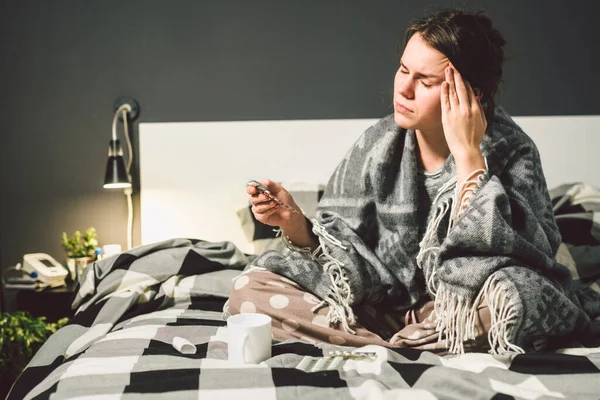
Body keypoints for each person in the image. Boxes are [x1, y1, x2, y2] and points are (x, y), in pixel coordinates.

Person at [226, 8, 591, 354]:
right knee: (249, 288)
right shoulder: (377, 144)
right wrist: (295, 223)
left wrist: (468, 156)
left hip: (463, 308)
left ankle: (395, 343)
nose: (404, 89)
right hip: (381, 309)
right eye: (403, 70)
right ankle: (400, 348)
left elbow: (525, 257)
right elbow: (341, 245)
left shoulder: (513, 151)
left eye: (426, 80)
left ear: (471, 93)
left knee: (518, 296)